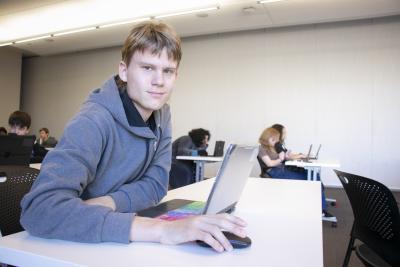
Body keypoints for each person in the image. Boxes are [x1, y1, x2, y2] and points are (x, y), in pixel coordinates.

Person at [20, 22, 246, 253]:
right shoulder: (92, 122)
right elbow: (39, 211)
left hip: (114, 234)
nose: (159, 81)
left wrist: (107, 203)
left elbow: (156, 185)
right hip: (75, 248)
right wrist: (161, 230)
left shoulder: (162, 113)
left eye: (167, 71)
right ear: (124, 71)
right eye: (147, 68)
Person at [258, 127, 333, 218]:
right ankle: (320, 208)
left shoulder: (274, 146)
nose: (276, 141)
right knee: (309, 180)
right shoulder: (261, 148)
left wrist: (287, 156)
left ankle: (319, 203)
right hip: (274, 171)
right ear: (267, 137)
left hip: (282, 168)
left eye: (276, 139)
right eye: (273, 139)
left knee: (313, 174)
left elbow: (284, 158)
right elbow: (269, 163)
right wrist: (280, 158)